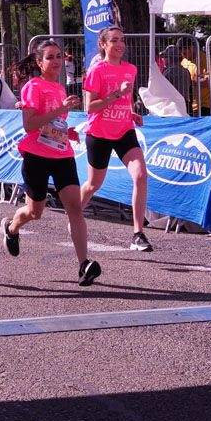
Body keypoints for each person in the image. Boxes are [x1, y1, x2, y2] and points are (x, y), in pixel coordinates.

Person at [0, 39, 101, 286]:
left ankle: (83, 264)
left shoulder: (59, 88)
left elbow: (52, 125)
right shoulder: (33, 87)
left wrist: (68, 132)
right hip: (36, 157)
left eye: (59, 57)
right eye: (50, 57)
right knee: (35, 212)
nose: (56, 62)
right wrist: (59, 112)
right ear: (39, 62)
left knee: (75, 209)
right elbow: (30, 125)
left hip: (62, 155)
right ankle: (12, 228)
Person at [79, 26, 154, 253]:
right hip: (99, 134)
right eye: (114, 40)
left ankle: (138, 234)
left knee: (140, 175)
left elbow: (126, 99)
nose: (120, 44)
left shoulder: (130, 69)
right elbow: (89, 107)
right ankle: (73, 214)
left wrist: (130, 112)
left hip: (124, 131)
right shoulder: (96, 71)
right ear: (103, 44)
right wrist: (116, 95)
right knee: (93, 184)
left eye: (122, 39)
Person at [178, 40, 211, 115]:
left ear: (191, 48)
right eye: (182, 53)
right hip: (187, 106)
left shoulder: (205, 60)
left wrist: (190, 82)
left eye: (184, 53)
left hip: (203, 106)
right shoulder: (184, 61)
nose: (184, 56)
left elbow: (209, 82)